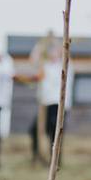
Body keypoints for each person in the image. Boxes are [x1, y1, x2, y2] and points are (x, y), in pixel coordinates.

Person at [30, 33, 65, 162]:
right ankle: (37, 156)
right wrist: (41, 44)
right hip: (44, 103)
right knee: (34, 130)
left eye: (54, 52)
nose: (52, 53)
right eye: (50, 52)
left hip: (58, 104)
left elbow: (63, 49)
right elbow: (34, 59)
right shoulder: (45, 66)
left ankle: (55, 161)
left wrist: (53, 40)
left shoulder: (64, 65)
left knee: (54, 132)